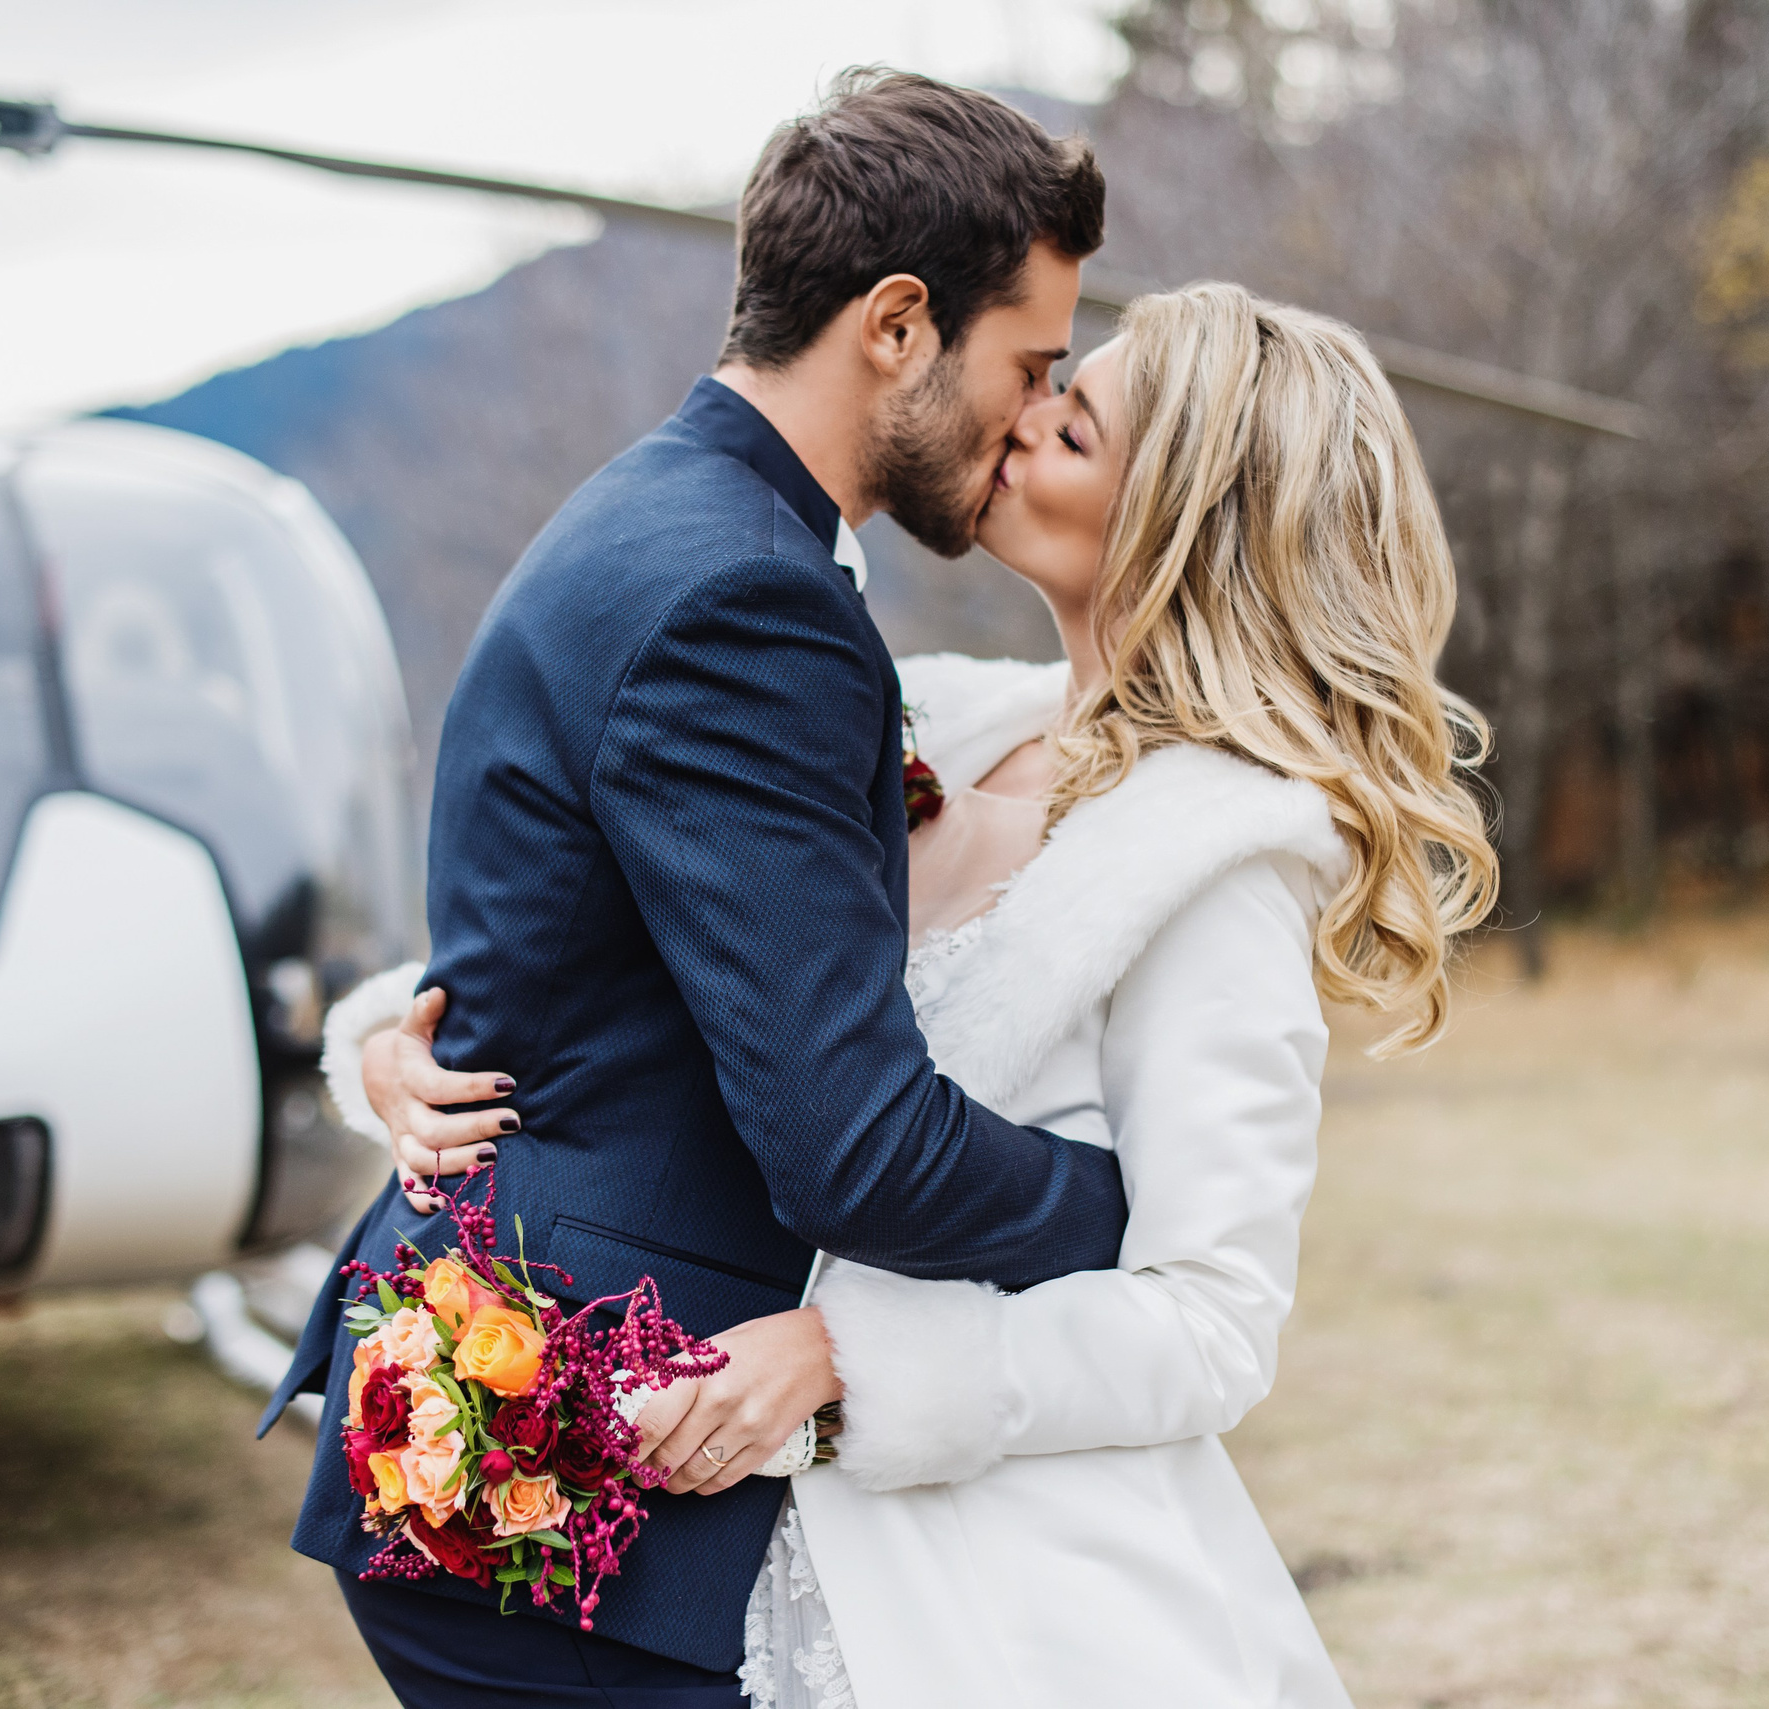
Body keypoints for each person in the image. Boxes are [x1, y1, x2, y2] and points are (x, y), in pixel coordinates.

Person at [352, 284, 1499, 1707]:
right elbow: (693, 958)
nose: (1014, 422)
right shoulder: (934, 716)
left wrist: (850, 1357)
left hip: (993, 1592)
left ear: (1180, 520)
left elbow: (1211, 1323)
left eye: (1070, 425)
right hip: (723, 1532)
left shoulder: (1213, 866)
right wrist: (412, 1037)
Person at [256, 71, 1135, 1707]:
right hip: (572, 1504)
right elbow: (853, 1147)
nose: (1027, 419)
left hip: (519, 1439)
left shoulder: (666, 518)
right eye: (1028, 365)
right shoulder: (749, 597)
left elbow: (577, 942)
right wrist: (1133, 1211)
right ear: (894, 325)